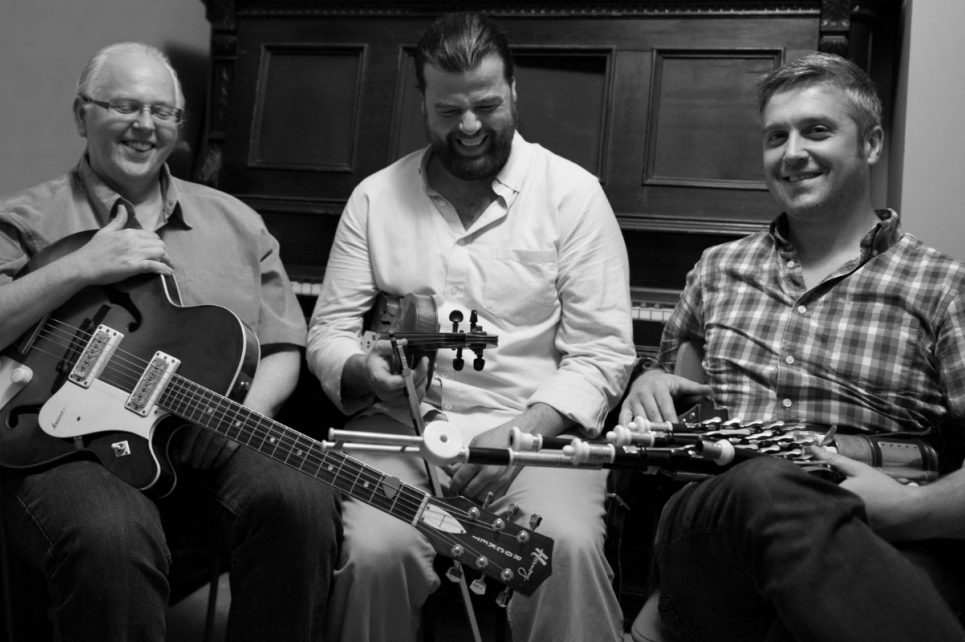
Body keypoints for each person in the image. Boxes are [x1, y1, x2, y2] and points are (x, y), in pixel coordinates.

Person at [306, 12, 636, 642]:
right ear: (423, 101)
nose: (468, 127)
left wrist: (522, 432)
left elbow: (603, 353)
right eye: (447, 110)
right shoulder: (375, 198)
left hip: (529, 434)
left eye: (486, 105)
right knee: (376, 555)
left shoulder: (573, 195)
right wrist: (362, 372)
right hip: (399, 434)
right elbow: (328, 335)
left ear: (514, 91)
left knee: (561, 550)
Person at [0, 42, 340, 641]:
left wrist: (240, 417)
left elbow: (284, 346)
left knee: (302, 498)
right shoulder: (27, 219)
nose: (144, 126)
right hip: (68, 450)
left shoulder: (235, 221)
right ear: (82, 114)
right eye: (124, 107)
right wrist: (79, 268)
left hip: (204, 443)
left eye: (162, 112)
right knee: (111, 530)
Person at [620, 52, 965, 641]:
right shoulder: (717, 268)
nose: (792, 152)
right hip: (715, 521)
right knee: (764, 483)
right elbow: (668, 382)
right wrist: (647, 383)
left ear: (873, 143)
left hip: (881, 531)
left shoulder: (940, 285)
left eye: (817, 130)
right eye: (776, 136)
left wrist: (907, 511)